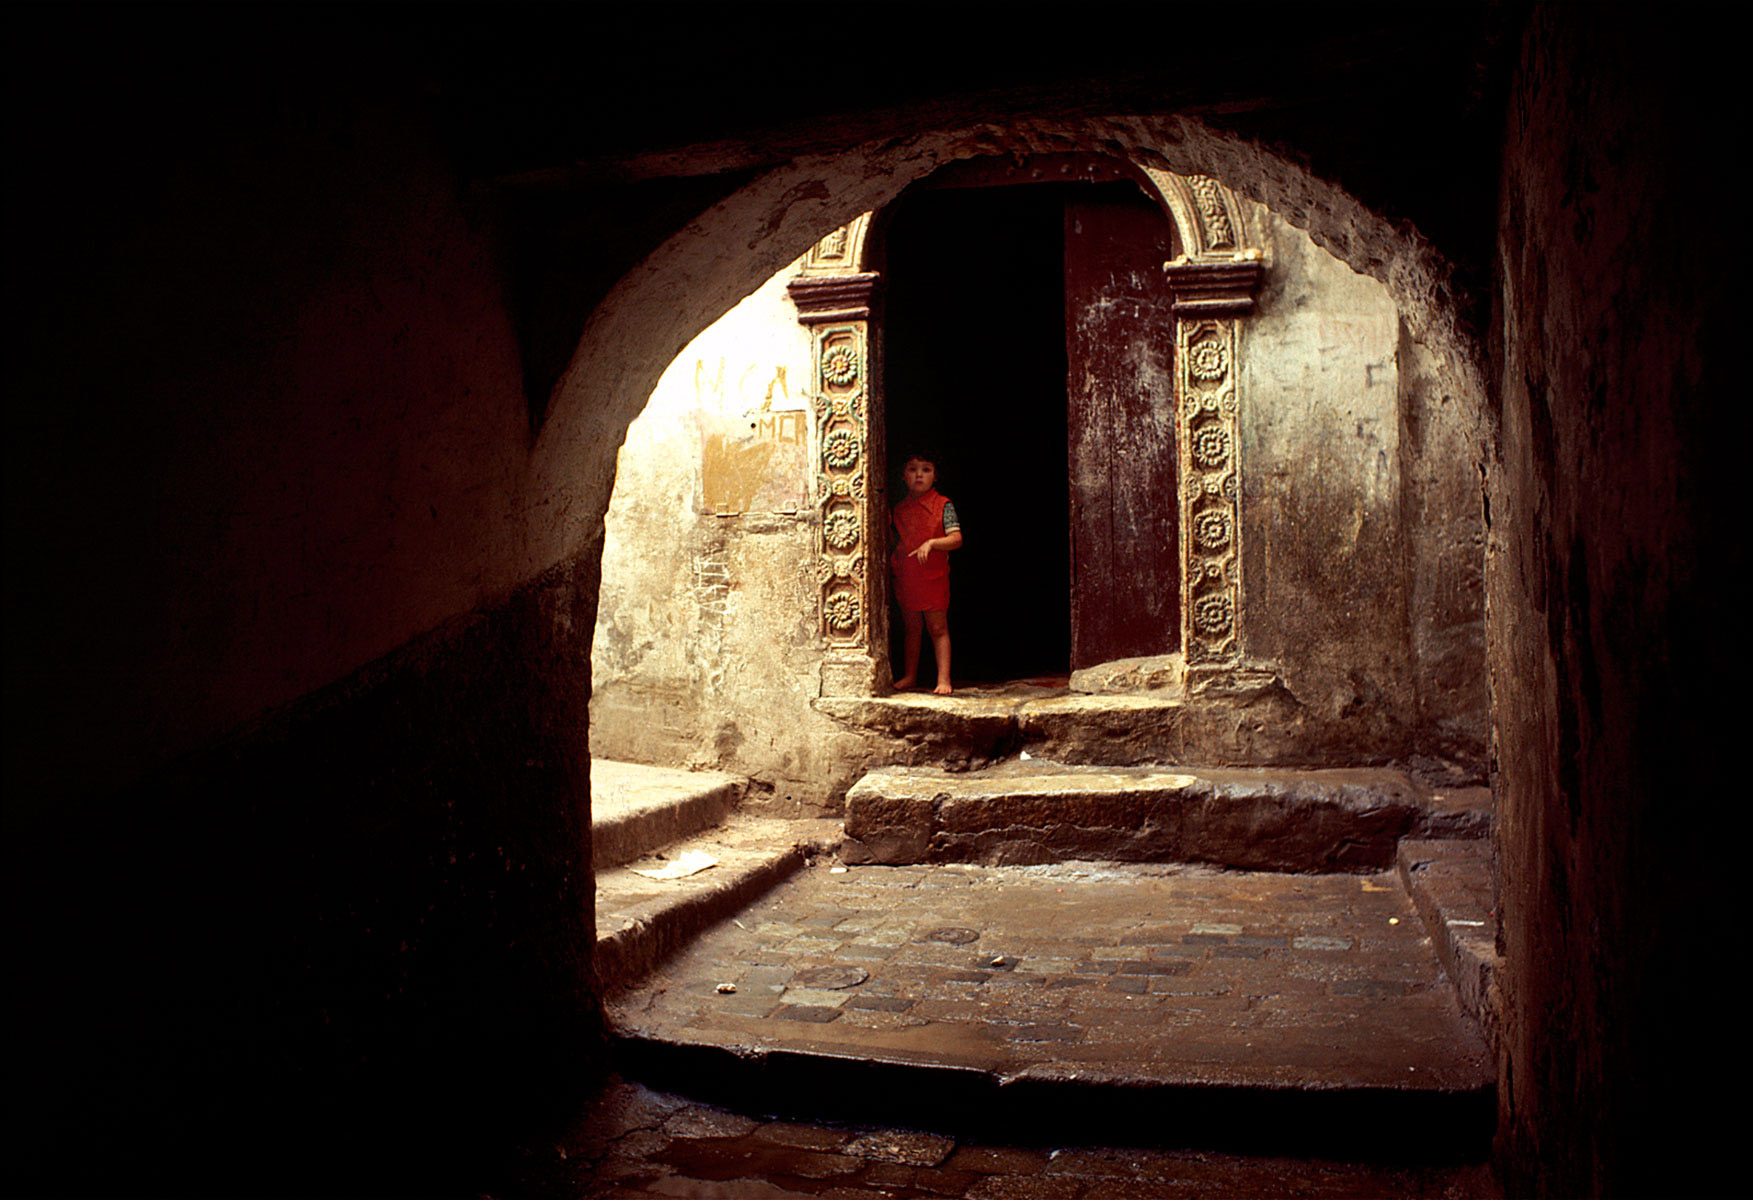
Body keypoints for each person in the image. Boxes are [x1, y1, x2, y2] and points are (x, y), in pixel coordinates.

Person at [890, 452, 963, 694]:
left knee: (938, 629)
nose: (919, 475)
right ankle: (910, 676)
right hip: (907, 576)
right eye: (912, 469)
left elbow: (956, 538)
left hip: (933, 577)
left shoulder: (943, 505)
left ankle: (944, 679)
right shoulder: (899, 509)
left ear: (935, 476)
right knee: (912, 629)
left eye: (926, 469)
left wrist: (932, 543)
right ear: (903, 476)